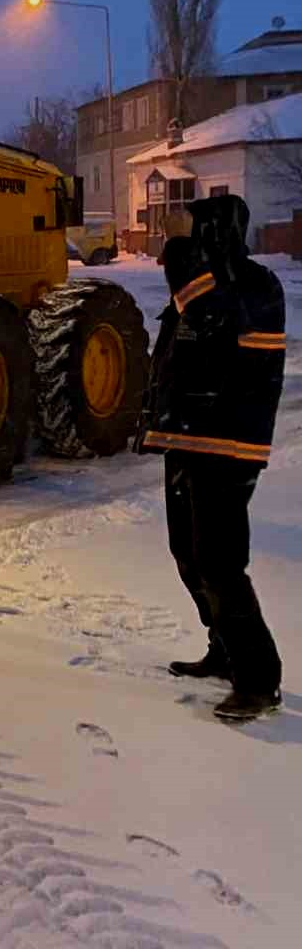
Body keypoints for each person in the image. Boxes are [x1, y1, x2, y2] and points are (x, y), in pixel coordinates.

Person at [137, 194, 286, 721]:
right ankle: (223, 647)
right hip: (186, 440)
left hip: (229, 444)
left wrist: (181, 255)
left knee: (222, 563)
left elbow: (212, 323)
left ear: (219, 232)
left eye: (196, 227)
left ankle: (258, 680)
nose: (183, 236)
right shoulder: (205, 281)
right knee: (189, 555)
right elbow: (180, 355)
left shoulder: (254, 286)